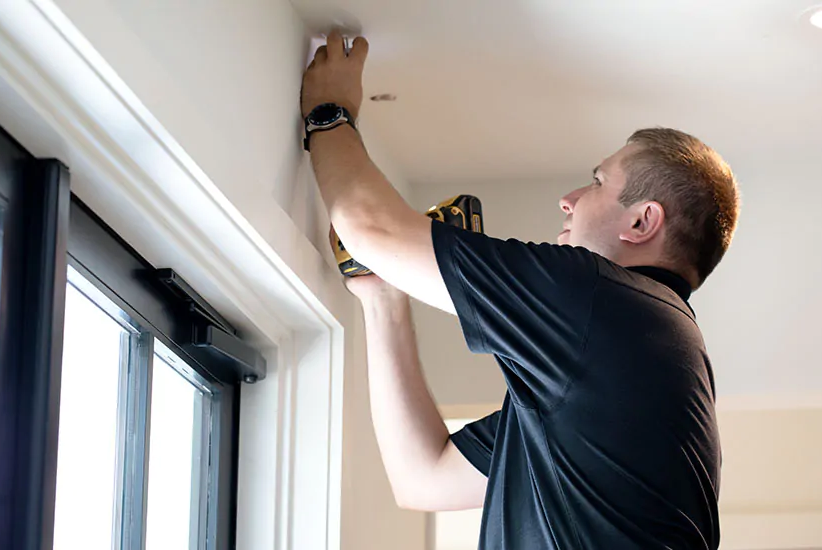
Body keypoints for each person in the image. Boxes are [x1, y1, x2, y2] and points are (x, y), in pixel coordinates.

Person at [301, 31, 740, 550]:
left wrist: (329, 112)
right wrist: (383, 297)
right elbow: (425, 477)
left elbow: (370, 228)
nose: (569, 199)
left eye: (598, 182)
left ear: (642, 221)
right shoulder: (644, 350)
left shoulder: (603, 302)